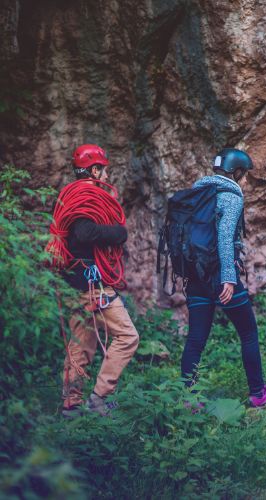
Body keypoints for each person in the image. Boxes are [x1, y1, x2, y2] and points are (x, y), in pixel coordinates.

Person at [179, 148, 266, 407]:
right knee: (248, 332)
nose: (244, 178)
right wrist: (228, 278)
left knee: (195, 339)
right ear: (236, 172)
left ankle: (187, 399)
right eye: (243, 173)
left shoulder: (197, 193)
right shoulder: (231, 197)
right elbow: (225, 237)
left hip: (195, 276)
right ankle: (258, 394)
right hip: (220, 278)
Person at [52, 144, 140, 417]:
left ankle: (71, 404)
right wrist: (119, 233)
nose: (105, 174)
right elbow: (84, 234)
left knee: (82, 341)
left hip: (75, 282)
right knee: (128, 336)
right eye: (102, 168)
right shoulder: (84, 197)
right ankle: (99, 397)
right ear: (93, 169)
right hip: (92, 284)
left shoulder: (72, 196)